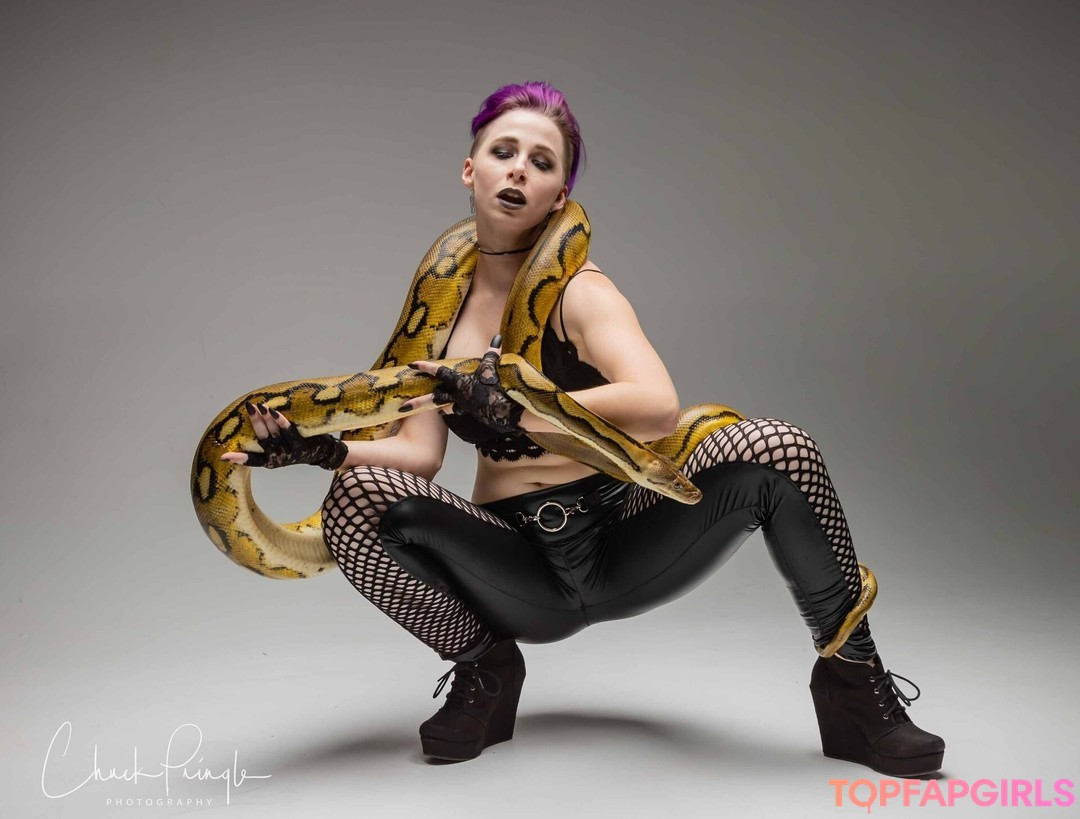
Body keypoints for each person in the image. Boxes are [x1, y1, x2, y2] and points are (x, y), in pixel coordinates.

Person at [221, 81, 945, 775]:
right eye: (504, 151)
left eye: (542, 162)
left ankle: (855, 686)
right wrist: (326, 450)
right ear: (470, 169)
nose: (519, 170)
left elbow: (657, 404)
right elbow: (418, 455)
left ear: (560, 196)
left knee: (779, 446)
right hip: (514, 564)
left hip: (622, 537)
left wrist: (519, 410)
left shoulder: (579, 290)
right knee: (356, 499)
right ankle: (484, 670)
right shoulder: (436, 316)